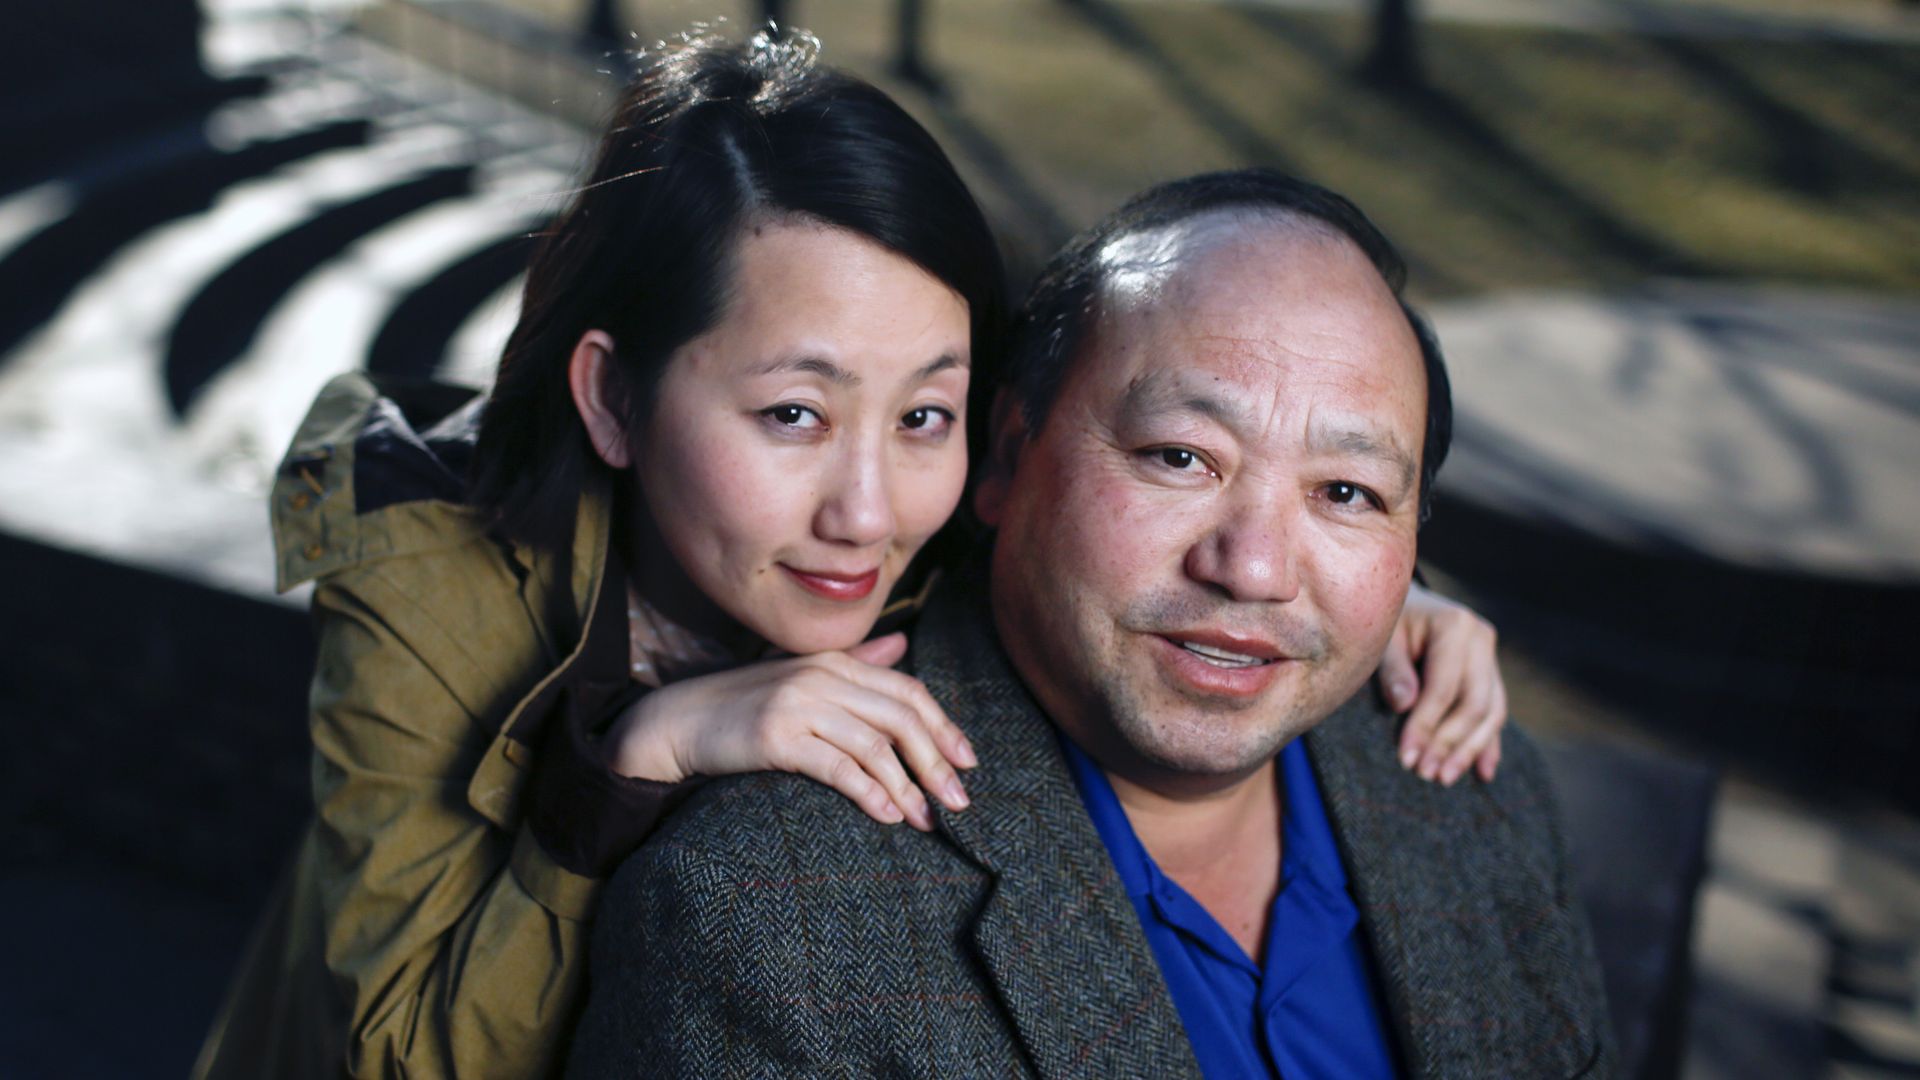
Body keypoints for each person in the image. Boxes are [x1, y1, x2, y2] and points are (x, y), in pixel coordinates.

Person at [193, 34, 1510, 1080]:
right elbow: (410, 1058)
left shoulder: (948, 510)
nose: (871, 513)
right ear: (615, 398)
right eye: (793, 415)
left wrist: (1371, 604)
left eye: (924, 415)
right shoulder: (429, 575)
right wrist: (635, 761)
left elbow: (1131, 483)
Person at [568, 170, 1614, 1078]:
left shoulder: (1477, 791)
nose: (1253, 569)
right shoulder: (766, 917)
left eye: (1345, 492)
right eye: (1180, 457)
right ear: (1006, 453)